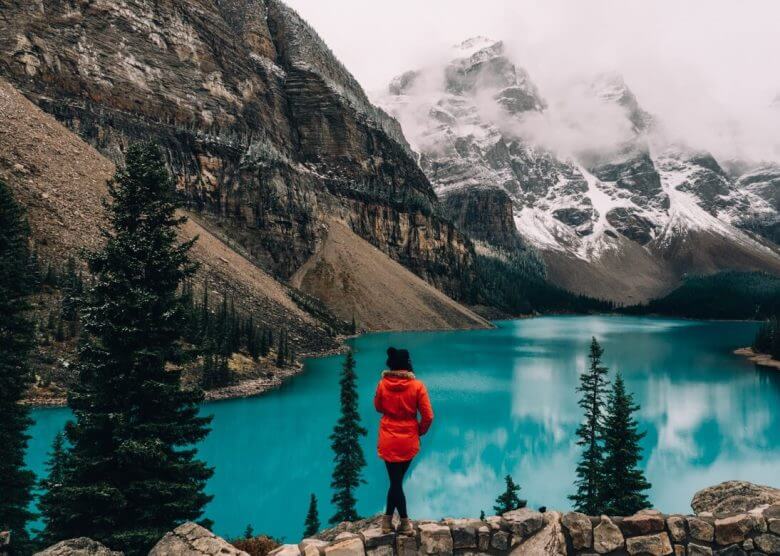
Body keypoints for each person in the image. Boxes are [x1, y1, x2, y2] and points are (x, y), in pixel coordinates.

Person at [374, 347, 434, 535]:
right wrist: (419, 431)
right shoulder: (418, 386)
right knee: (397, 482)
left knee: (395, 482)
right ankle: (405, 524)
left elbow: (378, 407)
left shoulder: (382, 384)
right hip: (408, 439)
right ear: (407, 364)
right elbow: (428, 416)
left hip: (388, 438)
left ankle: (387, 522)